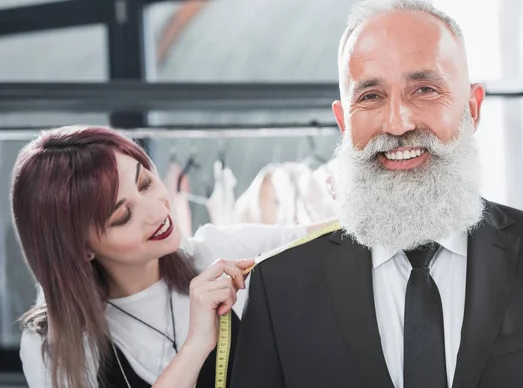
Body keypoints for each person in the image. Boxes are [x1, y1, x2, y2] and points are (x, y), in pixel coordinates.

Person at [231, 0, 523, 388]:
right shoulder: (280, 289)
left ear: (472, 109)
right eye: (371, 96)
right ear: (343, 122)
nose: (397, 123)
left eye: (424, 89)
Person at [12, 125, 324, 388]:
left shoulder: (214, 251)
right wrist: (197, 344)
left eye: (145, 182)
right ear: (80, 248)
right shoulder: (52, 345)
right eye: (123, 215)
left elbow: (331, 236)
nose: (156, 210)